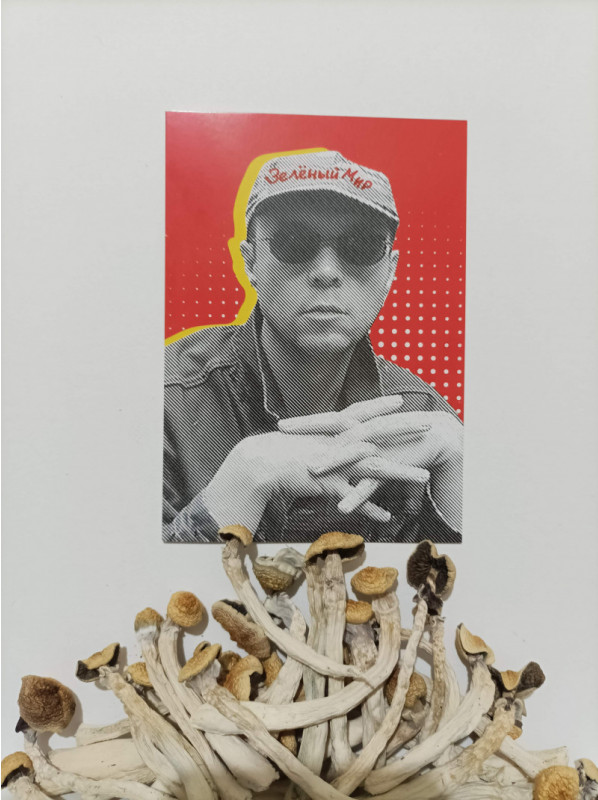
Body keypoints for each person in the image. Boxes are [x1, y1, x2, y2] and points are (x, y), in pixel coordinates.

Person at [163, 150, 463, 543]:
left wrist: (460, 476)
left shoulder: (423, 415)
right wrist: (246, 479)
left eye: (361, 245)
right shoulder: (166, 398)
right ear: (250, 262)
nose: (326, 272)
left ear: (390, 270)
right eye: (293, 242)